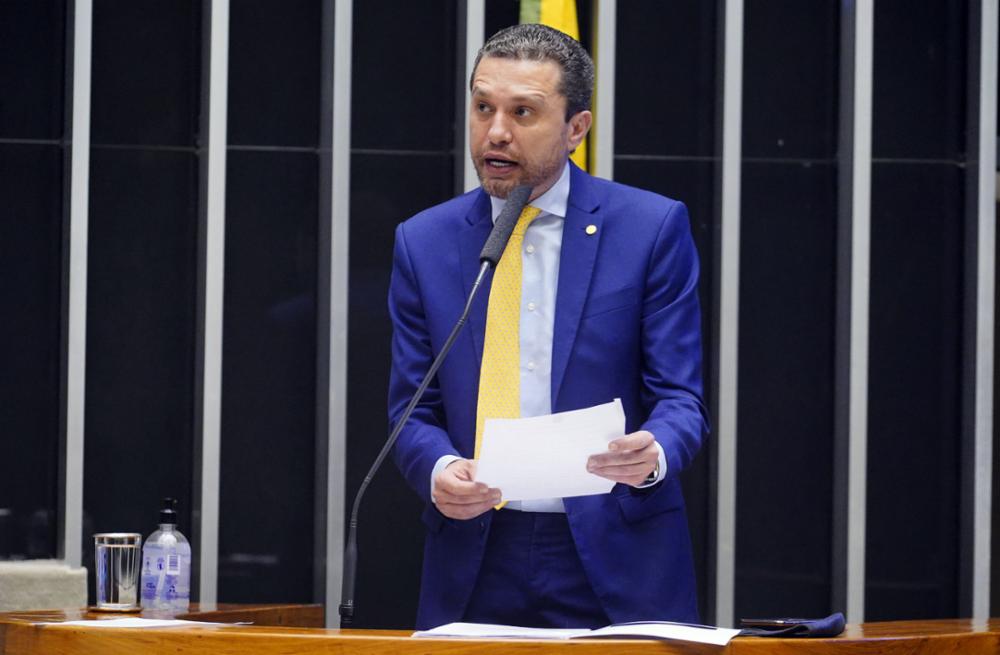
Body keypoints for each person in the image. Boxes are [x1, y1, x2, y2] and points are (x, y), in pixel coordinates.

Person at [389, 24, 707, 630]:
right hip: (477, 549)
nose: (496, 131)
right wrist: (437, 470)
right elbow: (412, 410)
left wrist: (655, 451)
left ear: (576, 129)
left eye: (523, 112)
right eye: (483, 107)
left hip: (617, 548)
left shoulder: (650, 228)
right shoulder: (424, 241)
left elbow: (681, 399)